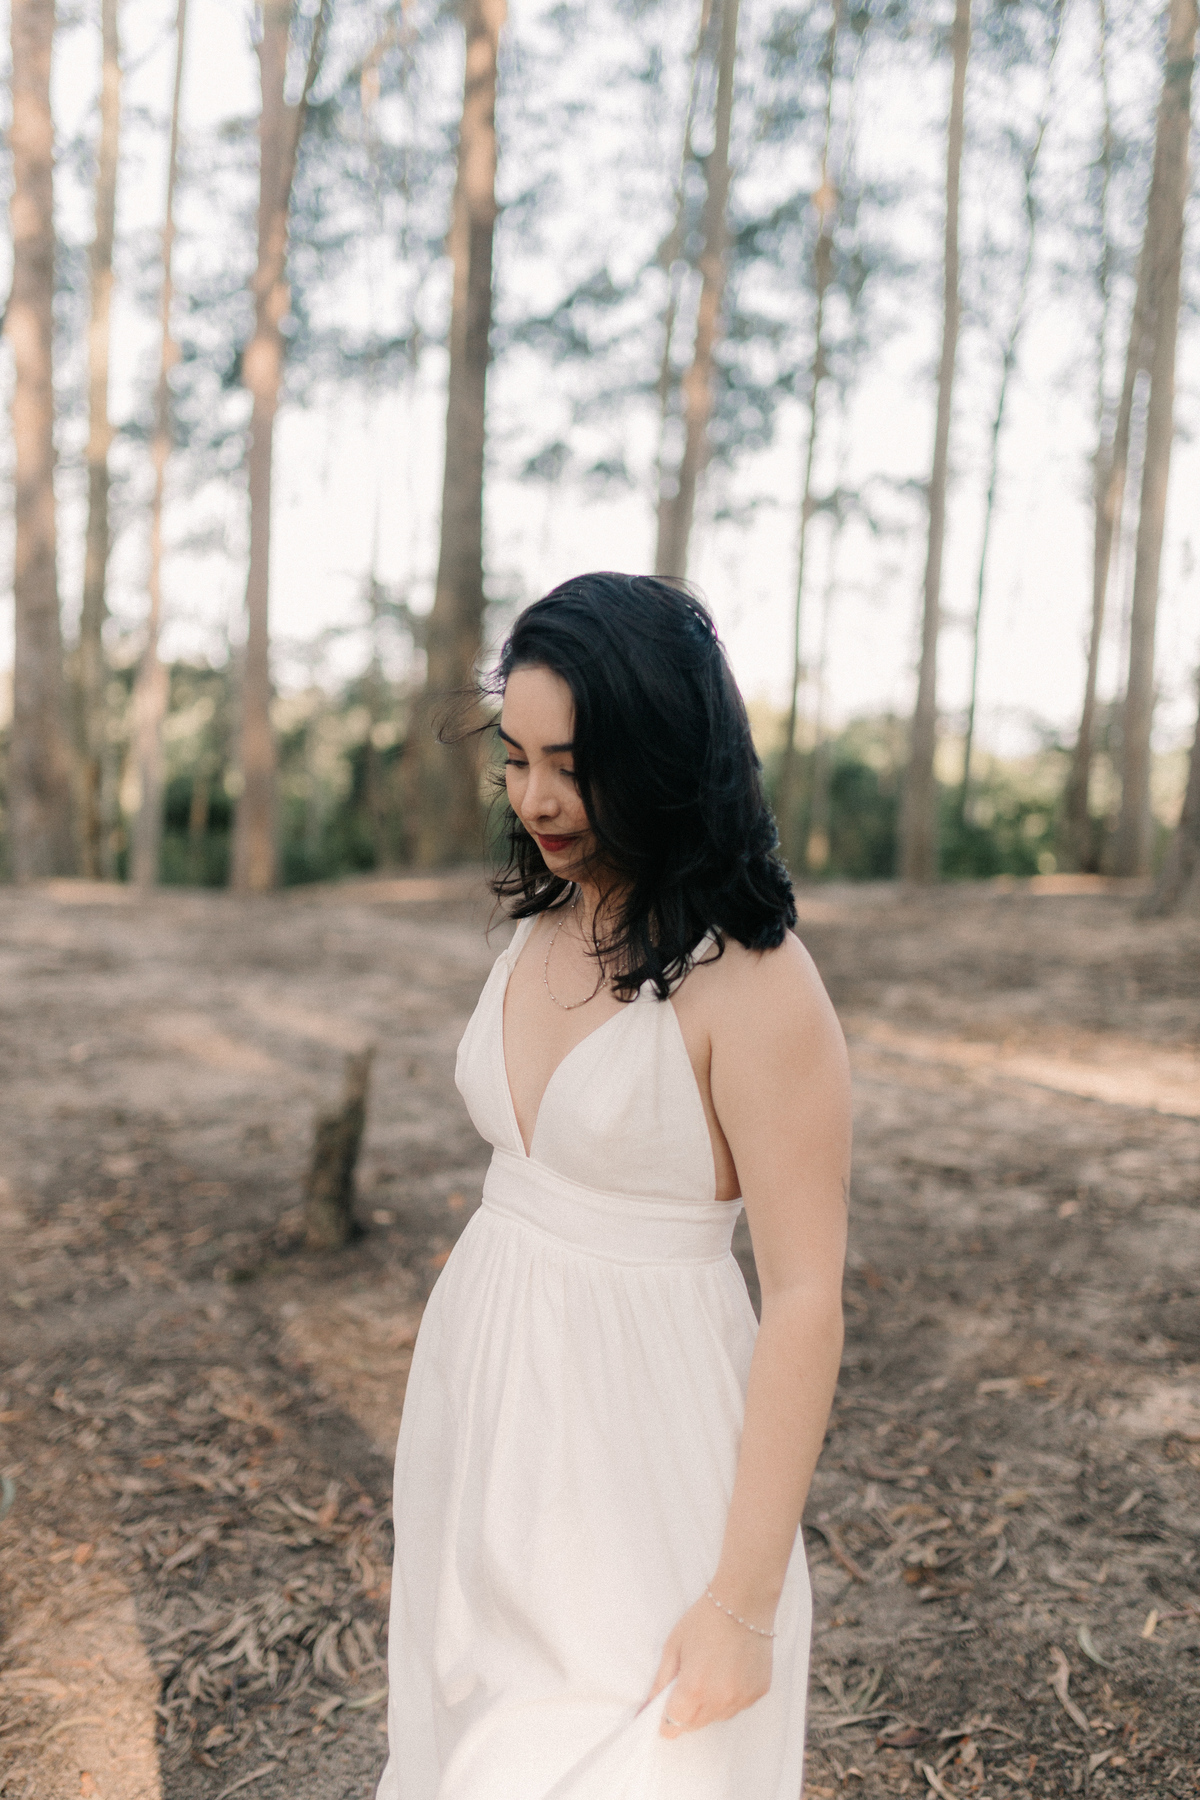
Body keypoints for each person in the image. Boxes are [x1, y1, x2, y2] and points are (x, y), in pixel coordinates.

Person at [377, 573, 850, 1800]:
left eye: (573, 767)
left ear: (660, 757)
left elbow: (807, 1297)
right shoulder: (545, 925)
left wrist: (741, 1604)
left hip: (643, 1453)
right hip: (485, 1417)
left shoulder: (757, 982)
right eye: (516, 759)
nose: (535, 798)